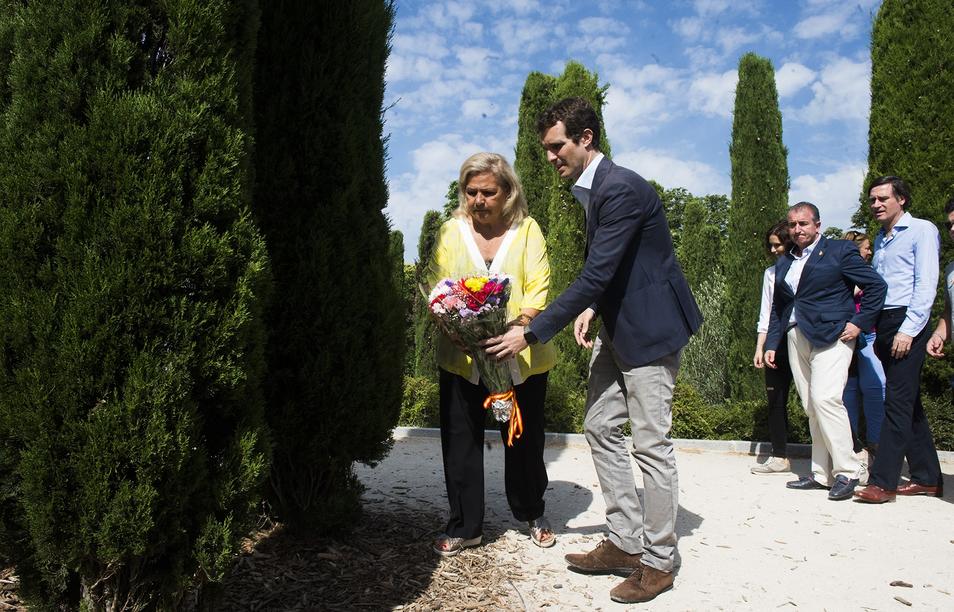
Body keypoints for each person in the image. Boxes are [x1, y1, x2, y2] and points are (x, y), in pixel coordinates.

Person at [482, 97, 702, 604]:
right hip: (620, 326)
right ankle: (626, 542)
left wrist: (531, 332)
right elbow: (615, 269)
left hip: (650, 331)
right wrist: (594, 308)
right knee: (600, 426)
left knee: (651, 444)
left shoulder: (620, 187)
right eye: (546, 149)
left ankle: (660, 560)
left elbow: (598, 271)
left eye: (556, 146)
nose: (550, 156)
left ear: (586, 138)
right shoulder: (594, 189)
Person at [427, 152, 558, 555]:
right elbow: (437, 283)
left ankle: (532, 511)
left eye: (488, 192)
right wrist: (453, 326)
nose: (479, 200)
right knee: (460, 441)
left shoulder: (527, 229)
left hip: (518, 357)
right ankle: (466, 526)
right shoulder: (451, 232)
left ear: (507, 193)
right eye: (471, 192)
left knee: (522, 438)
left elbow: (539, 283)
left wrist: (519, 329)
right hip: (462, 357)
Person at [764, 203, 886, 501]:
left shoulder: (840, 251)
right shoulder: (785, 261)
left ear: (818, 225)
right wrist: (771, 342)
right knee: (810, 404)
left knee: (826, 399)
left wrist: (859, 323)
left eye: (803, 224)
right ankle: (821, 473)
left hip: (833, 335)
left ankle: (848, 470)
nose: (797, 230)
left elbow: (876, 286)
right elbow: (781, 306)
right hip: (796, 336)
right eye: (792, 225)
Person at [856, 177, 944, 502]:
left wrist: (910, 329)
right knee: (909, 404)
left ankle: (883, 483)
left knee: (895, 402)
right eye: (872, 200)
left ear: (901, 199)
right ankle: (927, 477)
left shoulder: (921, 230)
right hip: (885, 323)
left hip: (907, 322)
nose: (876, 204)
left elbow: (926, 284)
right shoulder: (881, 239)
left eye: (882, 198)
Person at [751, 221, 795, 474]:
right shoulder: (770, 274)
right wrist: (760, 346)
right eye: (771, 246)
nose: (774, 249)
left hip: (803, 339)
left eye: (778, 244)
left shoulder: (804, 269)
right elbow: (766, 313)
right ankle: (779, 456)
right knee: (775, 400)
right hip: (775, 344)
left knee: (817, 400)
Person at [840, 230, 886, 464]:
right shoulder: (843, 271)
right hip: (847, 338)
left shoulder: (869, 273)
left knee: (875, 388)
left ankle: (876, 444)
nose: (870, 252)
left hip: (868, 337)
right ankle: (852, 445)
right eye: (866, 247)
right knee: (848, 392)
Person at [926, 198, 954, 364]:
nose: (952, 229)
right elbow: (949, 311)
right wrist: (938, 335)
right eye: (949, 225)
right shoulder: (951, 269)